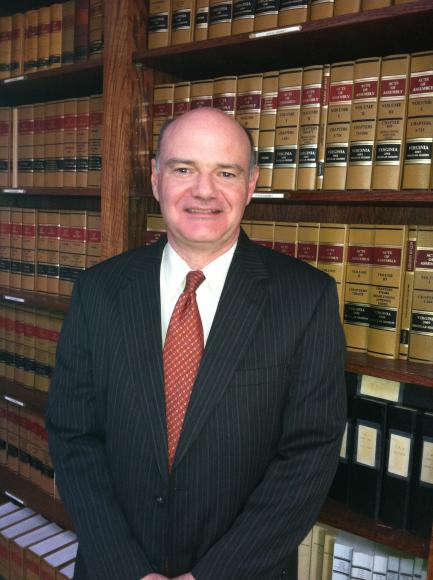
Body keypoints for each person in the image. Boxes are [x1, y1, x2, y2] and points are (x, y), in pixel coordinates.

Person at [46, 107, 347, 580]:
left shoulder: (306, 299)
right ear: (156, 180)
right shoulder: (98, 292)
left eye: (224, 172)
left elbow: (309, 456)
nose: (203, 190)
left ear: (250, 185)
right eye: (183, 169)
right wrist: (128, 570)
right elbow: (73, 436)